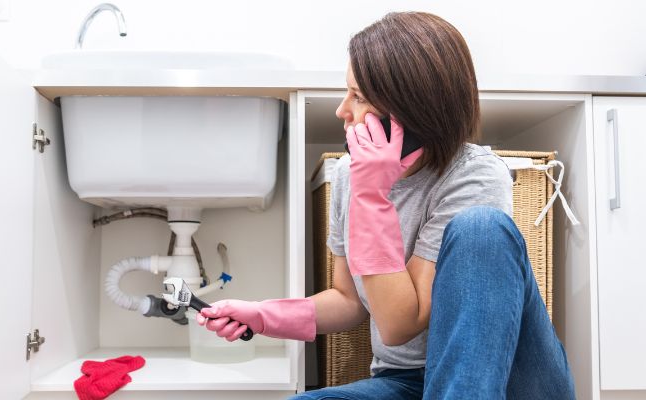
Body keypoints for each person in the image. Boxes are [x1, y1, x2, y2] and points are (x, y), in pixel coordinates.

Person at [196, 11, 576, 399]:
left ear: (409, 115)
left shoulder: (474, 176)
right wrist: (261, 316)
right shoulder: (349, 174)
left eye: (358, 97)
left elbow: (399, 323)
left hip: (508, 379)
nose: (341, 111)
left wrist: (371, 198)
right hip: (407, 383)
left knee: (481, 228)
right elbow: (348, 300)